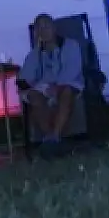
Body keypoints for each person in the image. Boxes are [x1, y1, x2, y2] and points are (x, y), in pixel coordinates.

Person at [19, 13, 83, 149]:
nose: (44, 31)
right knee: (33, 96)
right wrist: (37, 50)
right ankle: (51, 139)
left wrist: (57, 87)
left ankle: (55, 134)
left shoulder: (71, 45)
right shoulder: (35, 53)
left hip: (68, 83)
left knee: (66, 91)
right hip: (44, 87)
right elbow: (25, 77)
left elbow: (72, 70)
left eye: (46, 26)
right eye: (39, 28)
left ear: (54, 28)